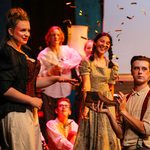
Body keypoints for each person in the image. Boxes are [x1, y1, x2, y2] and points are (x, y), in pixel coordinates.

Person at [0, 7, 77, 150]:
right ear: (11, 31)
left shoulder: (25, 51)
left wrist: (57, 79)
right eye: (22, 30)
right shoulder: (6, 52)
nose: (27, 34)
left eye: (28, 30)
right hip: (15, 112)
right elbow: (4, 89)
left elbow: (31, 82)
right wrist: (32, 100)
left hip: (29, 111)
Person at [74, 32, 122, 150]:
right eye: (102, 41)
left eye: (108, 43)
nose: (104, 45)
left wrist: (113, 108)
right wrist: (86, 106)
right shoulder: (87, 62)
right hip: (92, 101)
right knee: (91, 132)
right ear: (95, 42)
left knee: (108, 133)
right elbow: (86, 85)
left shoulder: (111, 65)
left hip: (107, 101)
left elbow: (111, 88)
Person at [37, 26, 81, 122]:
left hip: (65, 91)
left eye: (58, 35)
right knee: (50, 120)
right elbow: (38, 75)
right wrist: (50, 72)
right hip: (49, 93)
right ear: (48, 38)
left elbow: (77, 58)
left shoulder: (67, 50)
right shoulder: (43, 54)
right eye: (53, 35)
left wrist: (63, 65)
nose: (56, 37)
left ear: (61, 37)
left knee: (66, 119)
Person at [118, 55, 150, 150]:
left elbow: (146, 130)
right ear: (131, 71)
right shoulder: (126, 98)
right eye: (136, 68)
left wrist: (124, 112)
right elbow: (120, 134)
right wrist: (108, 113)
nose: (140, 72)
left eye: (144, 69)